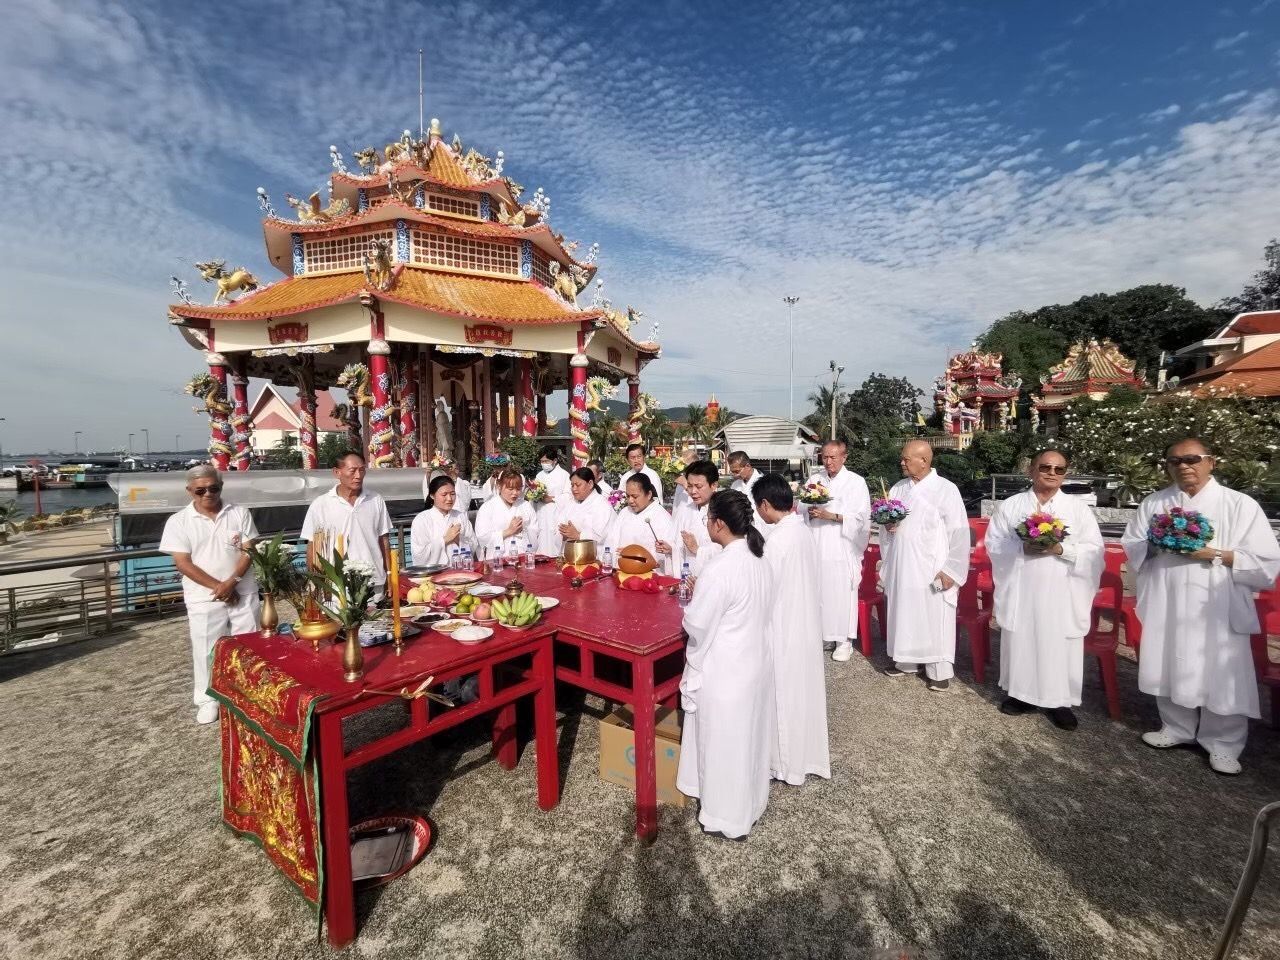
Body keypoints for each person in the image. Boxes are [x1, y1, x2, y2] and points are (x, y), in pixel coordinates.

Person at [1123, 438, 1280, 775]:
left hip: (1217, 603)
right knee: (1170, 659)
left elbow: (1266, 562)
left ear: (1211, 461)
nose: (1184, 466)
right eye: (1174, 461)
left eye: (1192, 459)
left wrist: (1215, 554)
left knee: (1221, 669)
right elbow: (1133, 545)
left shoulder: (1240, 505)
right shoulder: (1155, 503)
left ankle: (1222, 742)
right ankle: (1176, 727)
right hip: (1169, 598)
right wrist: (1155, 543)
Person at [676, 490, 775, 840]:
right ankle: (750, 803)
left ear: (718, 524)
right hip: (754, 662)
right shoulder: (758, 557)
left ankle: (725, 818)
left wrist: (694, 602)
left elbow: (698, 624)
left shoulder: (722, 567)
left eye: (708, 520)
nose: (706, 525)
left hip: (727, 669)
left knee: (724, 744)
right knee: (747, 739)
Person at [987, 449, 1104, 730]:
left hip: (1063, 590)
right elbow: (994, 544)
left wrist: (1060, 548)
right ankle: (1021, 695)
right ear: (1032, 470)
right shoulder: (1012, 505)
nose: (1052, 473)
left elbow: (1094, 551)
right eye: (1045, 467)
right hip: (1023, 586)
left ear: (1065, 474)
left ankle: (1057, 701)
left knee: (1058, 643)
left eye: (1059, 469)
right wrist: (1021, 546)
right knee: (1023, 639)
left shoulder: (1077, 510)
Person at [159, 465, 260, 724]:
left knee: (249, 645)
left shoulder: (238, 512)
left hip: (243, 591)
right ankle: (207, 699)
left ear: (221, 487)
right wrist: (221, 587)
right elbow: (183, 563)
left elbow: (249, 550)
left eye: (213, 488)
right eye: (200, 490)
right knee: (206, 649)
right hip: (205, 596)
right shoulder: (179, 521)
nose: (207, 494)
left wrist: (233, 582)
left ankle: (248, 693)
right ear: (189, 491)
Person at [752, 474, 830, 784]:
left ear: (766, 505)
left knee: (783, 694)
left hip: (783, 625)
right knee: (801, 693)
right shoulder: (801, 531)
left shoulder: (778, 540)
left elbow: (764, 589)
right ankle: (803, 755)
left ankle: (784, 765)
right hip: (804, 624)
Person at [879, 440, 969, 691]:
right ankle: (906, 661)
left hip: (932, 567)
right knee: (904, 611)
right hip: (902, 564)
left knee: (933, 615)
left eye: (906, 459)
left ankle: (938, 669)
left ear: (924, 461)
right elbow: (891, 527)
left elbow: (959, 532)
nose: (902, 463)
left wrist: (952, 569)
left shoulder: (945, 489)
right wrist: (888, 525)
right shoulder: (898, 488)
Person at [804, 440, 872, 662]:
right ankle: (824, 635)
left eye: (833, 457)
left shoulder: (856, 482)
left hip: (842, 547)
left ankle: (844, 640)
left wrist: (832, 516)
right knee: (819, 591)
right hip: (816, 543)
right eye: (824, 457)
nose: (828, 461)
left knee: (840, 592)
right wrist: (809, 508)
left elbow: (862, 518)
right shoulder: (815, 480)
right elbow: (800, 508)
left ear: (844, 457)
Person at [300, 451, 393, 597]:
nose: (358, 476)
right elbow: (313, 546)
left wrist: (389, 573)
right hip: (337, 586)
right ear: (337, 472)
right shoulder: (321, 505)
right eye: (353, 470)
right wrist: (316, 582)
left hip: (373, 582)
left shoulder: (375, 500)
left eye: (362, 470)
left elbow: (384, 540)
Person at [606, 473, 677, 575]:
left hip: (650, 576)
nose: (630, 500)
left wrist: (632, 555)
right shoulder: (624, 512)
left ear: (648, 495)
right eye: (628, 496)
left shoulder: (662, 517)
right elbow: (612, 541)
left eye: (635, 496)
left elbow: (667, 553)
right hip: (621, 572)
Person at [660, 460, 720, 575]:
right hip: (686, 578)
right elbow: (676, 542)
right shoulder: (684, 510)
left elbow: (728, 549)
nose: (693, 491)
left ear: (714, 485)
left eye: (699, 486)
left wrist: (697, 549)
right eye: (690, 486)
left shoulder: (723, 511)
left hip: (711, 578)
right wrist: (671, 549)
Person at [411, 475, 478, 567]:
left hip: (460, 573)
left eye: (452, 494)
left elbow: (474, 544)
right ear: (432, 495)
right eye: (444, 494)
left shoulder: (460, 516)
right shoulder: (422, 519)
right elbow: (419, 554)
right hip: (433, 575)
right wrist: (445, 539)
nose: (449, 498)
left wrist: (459, 540)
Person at [474, 467, 539, 559]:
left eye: (518, 489)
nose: (515, 493)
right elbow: (483, 537)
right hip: (497, 560)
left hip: (522, 556)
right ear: (499, 486)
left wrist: (523, 529)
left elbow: (535, 531)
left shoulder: (526, 506)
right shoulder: (488, 507)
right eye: (510, 489)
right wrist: (509, 531)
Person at [556, 467, 616, 545]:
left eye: (578, 485)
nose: (574, 489)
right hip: (570, 551)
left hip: (593, 554)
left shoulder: (601, 505)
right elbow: (559, 526)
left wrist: (578, 535)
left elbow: (602, 535)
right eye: (572, 485)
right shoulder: (570, 503)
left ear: (590, 484)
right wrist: (562, 534)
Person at [532, 446, 571, 556]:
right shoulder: (539, 475)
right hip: (541, 513)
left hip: (556, 513)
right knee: (542, 538)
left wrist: (552, 498)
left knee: (555, 541)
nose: (544, 463)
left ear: (554, 461)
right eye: (542, 461)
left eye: (546, 461)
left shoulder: (564, 475)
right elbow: (534, 490)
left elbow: (569, 495)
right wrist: (534, 496)